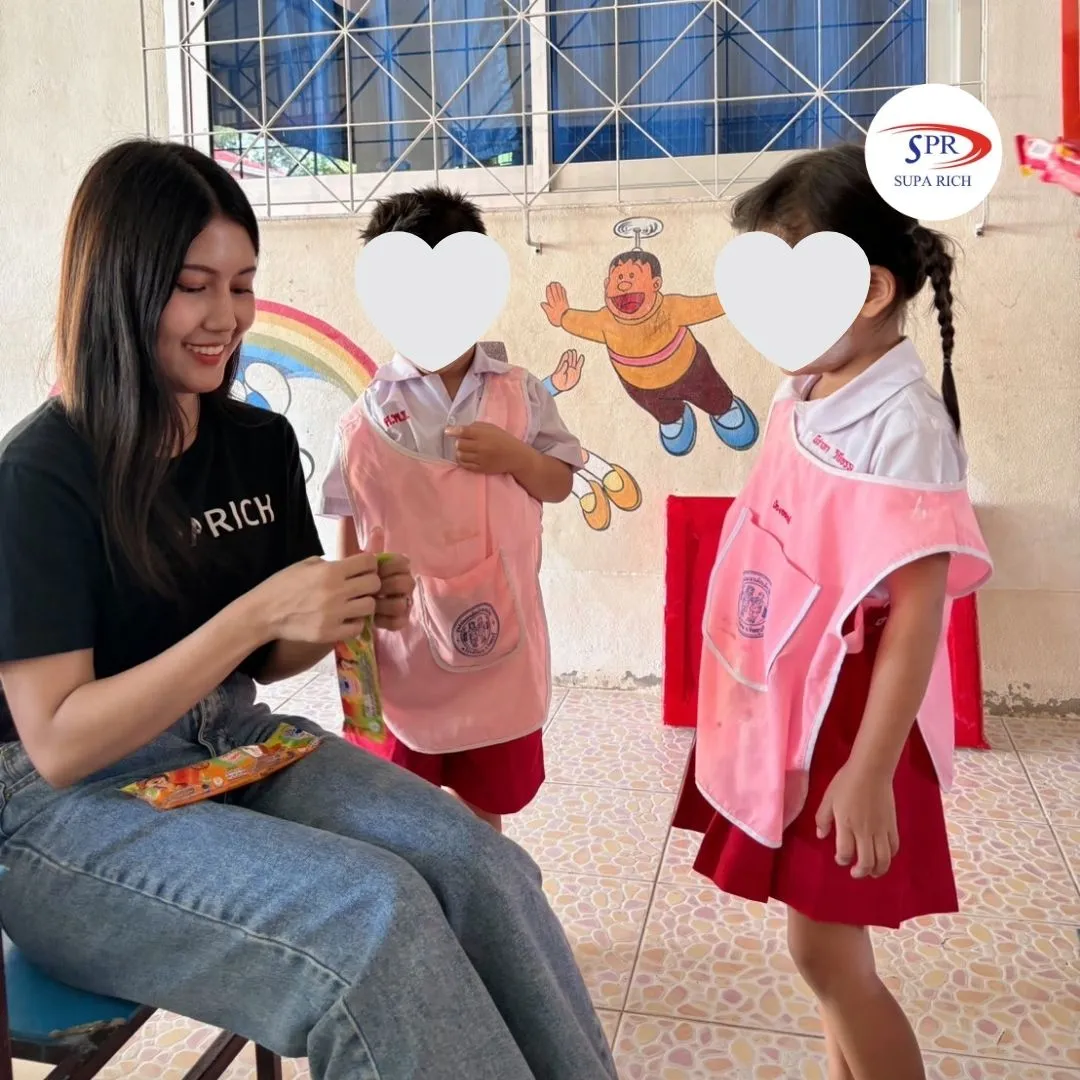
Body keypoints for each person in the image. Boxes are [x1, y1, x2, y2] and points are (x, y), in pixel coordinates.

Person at [0, 140, 618, 1080]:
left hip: (230, 741)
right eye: (193, 287)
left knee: (482, 870)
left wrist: (341, 611)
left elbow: (273, 659)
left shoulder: (254, 440)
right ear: (117, 287)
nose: (225, 318)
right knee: (374, 918)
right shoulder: (41, 473)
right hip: (67, 813)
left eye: (243, 285)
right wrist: (253, 617)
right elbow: (59, 744)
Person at [672, 143, 993, 1080]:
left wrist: (869, 769)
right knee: (824, 954)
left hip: (856, 717)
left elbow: (918, 621)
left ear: (869, 291)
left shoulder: (905, 426)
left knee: (826, 956)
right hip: (796, 693)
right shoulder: (807, 388)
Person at [320, 188, 582, 834]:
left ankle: (484, 884)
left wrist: (516, 457)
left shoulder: (520, 393)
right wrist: (350, 636)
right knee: (404, 809)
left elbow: (557, 483)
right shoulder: (367, 416)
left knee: (484, 803)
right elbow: (347, 528)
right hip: (403, 650)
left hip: (502, 649)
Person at [541, 249, 759, 456]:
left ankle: (723, 408)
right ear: (606, 286)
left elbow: (706, 306)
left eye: (632, 276)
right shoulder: (604, 321)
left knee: (712, 393)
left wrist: (737, 295)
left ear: (656, 284)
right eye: (618, 278)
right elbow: (580, 322)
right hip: (643, 387)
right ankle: (673, 420)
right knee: (661, 409)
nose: (624, 284)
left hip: (692, 370)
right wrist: (562, 316)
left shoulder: (671, 307)